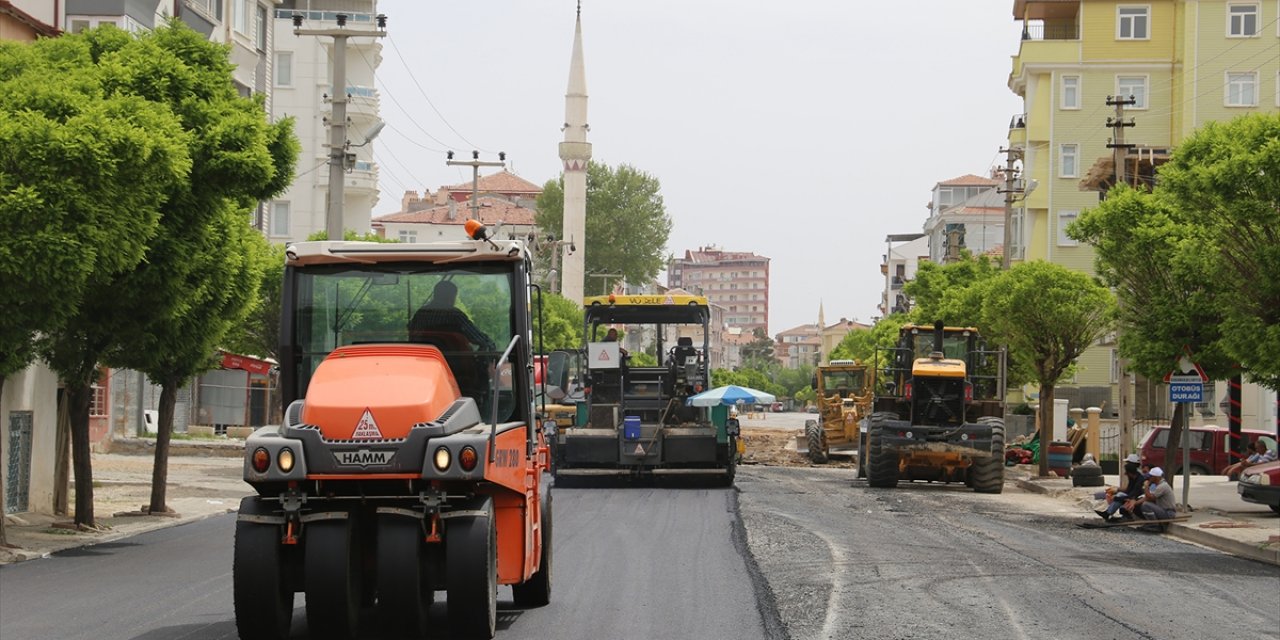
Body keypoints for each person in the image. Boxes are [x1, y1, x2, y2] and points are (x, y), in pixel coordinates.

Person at [408, 280, 495, 352]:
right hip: (454, 364)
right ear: (451, 296)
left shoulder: (421, 314)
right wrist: (488, 342)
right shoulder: (455, 315)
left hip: (423, 358)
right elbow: (476, 337)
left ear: (435, 294)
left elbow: (413, 337)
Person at [1130, 467, 1177, 531]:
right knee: (1141, 505)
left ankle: (1154, 524)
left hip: (1168, 513)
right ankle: (1151, 523)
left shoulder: (1162, 486)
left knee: (1145, 505)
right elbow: (1146, 498)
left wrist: (1146, 486)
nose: (1149, 478)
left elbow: (1149, 498)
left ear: (1156, 477)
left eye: (1151, 477)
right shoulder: (1159, 485)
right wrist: (1134, 503)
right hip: (1163, 510)